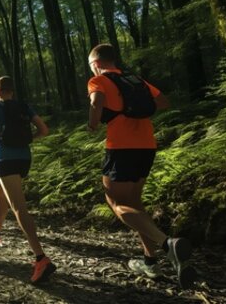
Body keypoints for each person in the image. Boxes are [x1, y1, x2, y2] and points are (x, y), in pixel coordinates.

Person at [86, 44, 194, 287]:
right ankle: (150, 261)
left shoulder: (98, 80)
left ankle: (167, 244)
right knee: (134, 202)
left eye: (91, 65)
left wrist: (93, 124)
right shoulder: (135, 79)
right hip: (146, 145)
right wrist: (134, 108)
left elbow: (96, 102)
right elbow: (163, 102)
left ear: (97, 63)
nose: (91, 70)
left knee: (116, 202)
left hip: (121, 147)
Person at [0, 76, 55, 283]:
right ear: (12, 91)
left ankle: (41, 258)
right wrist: (28, 139)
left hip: (5, 159)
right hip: (24, 159)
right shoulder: (24, 106)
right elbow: (44, 130)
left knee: (19, 208)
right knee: (1, 192)